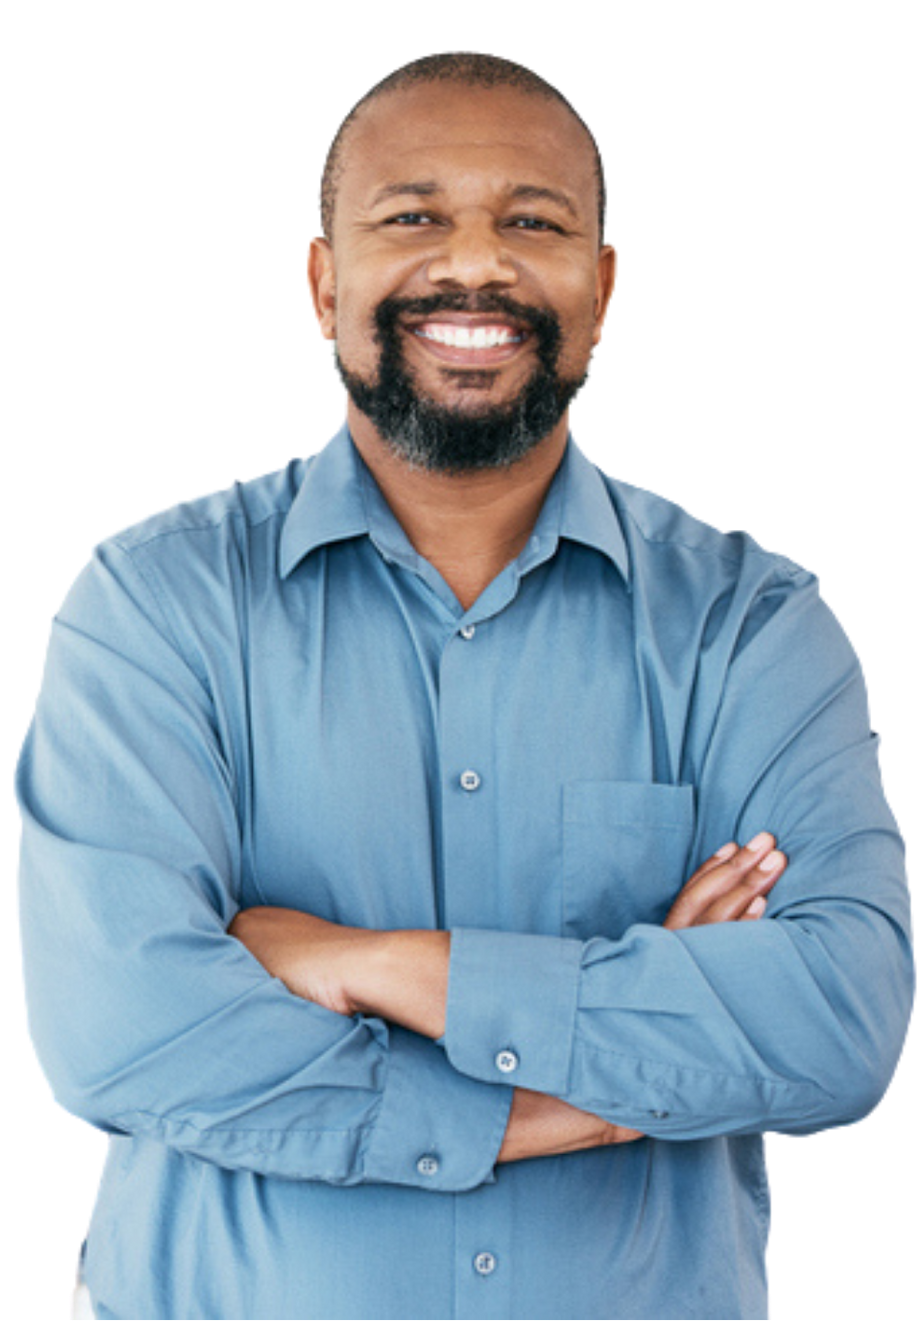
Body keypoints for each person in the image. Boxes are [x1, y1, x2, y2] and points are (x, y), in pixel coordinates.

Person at [15, 51, 913, 1323]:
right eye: (413, 217)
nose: (474, 266)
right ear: (324, 283)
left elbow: (833, 1025)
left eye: (530, 222)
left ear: (600, 292)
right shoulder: (153, 607)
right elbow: (124, 1032)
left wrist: (365, 962)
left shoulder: (748, 626)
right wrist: (572, 1097)